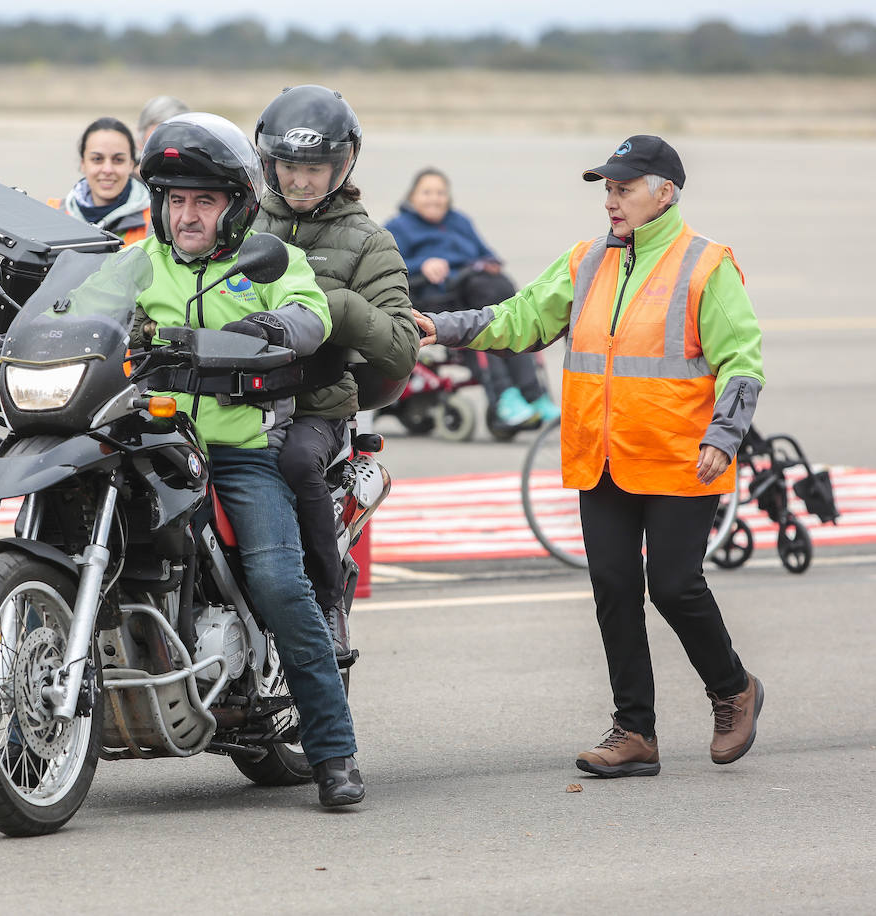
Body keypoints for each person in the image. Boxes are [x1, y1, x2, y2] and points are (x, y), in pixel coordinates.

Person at [414, 135, 765, 777]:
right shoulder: (585, 261)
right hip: (601, 457)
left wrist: (724, 435)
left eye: (623, 188)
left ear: (665, 193)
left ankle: (733, 688)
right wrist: (444, 326)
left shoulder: (706, 265)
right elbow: (520, 318)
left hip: (680, 458)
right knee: (613, 587)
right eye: (607, 188)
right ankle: (635, 732)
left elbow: (742, 361)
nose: (611, 200)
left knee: (674, 585)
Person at [131, 112, 365, 808]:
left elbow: (310, 312)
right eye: (176, 200)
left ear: (235, 206)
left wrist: (270, 326)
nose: (187, 215)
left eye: (203, 200)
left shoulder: (266, 258)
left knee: (278, 581)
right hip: (150, 446)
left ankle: (333, 752)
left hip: (236, 453)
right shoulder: (139, 261)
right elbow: (76, 303)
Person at [252, 85, 419, 663]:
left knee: (298, 463)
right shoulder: (238, 222)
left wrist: (337, 307)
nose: (301, 181)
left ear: (340, 166)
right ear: (269, 163)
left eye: (316, 168)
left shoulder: (370, 241)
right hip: (235, 398)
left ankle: (327, 603)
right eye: (290, 167)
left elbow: (401, 349)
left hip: (317, 404)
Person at [388, 167, 559, 428]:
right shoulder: (398, 227)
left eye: (440, 193)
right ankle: (504, 397)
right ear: (412, 196)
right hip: (433, 298)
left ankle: (534, 396)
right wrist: (423, 264)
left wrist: (490, 264)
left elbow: (487, 254)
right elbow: (385, 268)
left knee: (508, 322)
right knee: (481, 325)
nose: (434, 198)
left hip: (472, 292)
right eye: (427, 192)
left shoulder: (460, 221)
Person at [49, 117, 151, 245]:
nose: (107, 169)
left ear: (131, 165)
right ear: (83, 163)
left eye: (118, 160)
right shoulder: (52, 214)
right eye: (97, 159)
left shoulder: (155, 223)